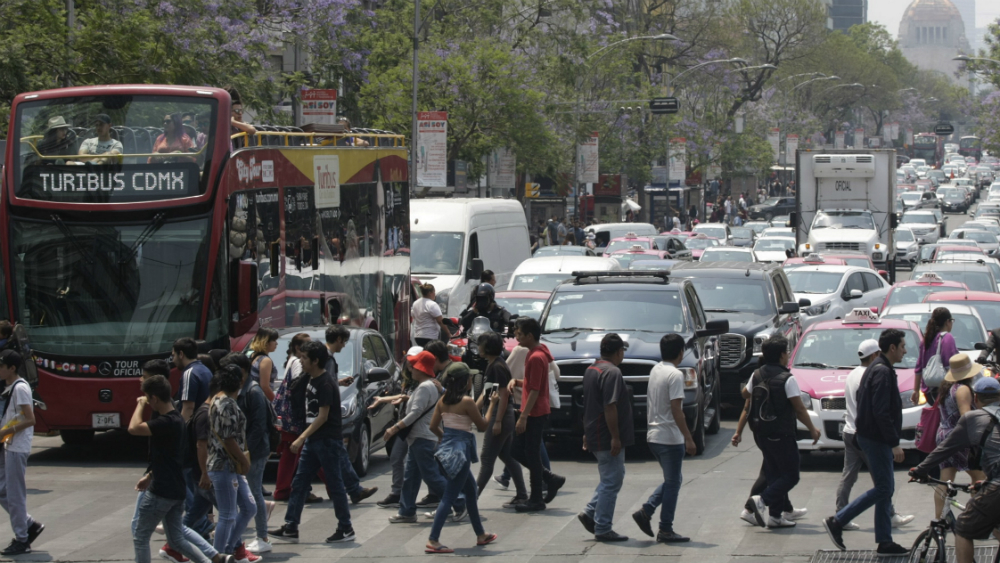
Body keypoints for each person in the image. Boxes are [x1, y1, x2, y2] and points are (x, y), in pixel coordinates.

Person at [823, 329, 909, 556]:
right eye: (902, 346)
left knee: (885, 489)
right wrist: (893, 442)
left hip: (869, 436)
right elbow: (880, 411)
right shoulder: (881, 371)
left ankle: (884, 541)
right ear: (892, 348)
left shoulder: (877, 368)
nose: (905, 350)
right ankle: (838, 520)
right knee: (883, 488)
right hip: (875, 439)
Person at [128, 374, 225, 563]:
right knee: (176, 539)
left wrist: (140, 404)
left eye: (149, 399)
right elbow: (169, 457)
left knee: (140, 536)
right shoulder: (178, 419)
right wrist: (150, 475)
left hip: (161, 492)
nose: (149, 404)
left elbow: (133, 428)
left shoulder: (166, 422)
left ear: (154, 398)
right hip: (176, 490)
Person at [269, 341, 355, 544]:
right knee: (298, 484)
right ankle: (291, 526)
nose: (301, 361)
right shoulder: (310, 379)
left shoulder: (325, 383)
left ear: (315, 361)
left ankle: (346, 528)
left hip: (327, 441)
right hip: (313, 441)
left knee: (335, 486)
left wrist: (300, 438)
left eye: (305, 358)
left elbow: (322, 416)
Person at [909, 377, 1000, 563]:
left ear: (976, 399)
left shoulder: (972, 418)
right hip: (995, 481)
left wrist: (919, 470)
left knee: (963, 528)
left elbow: (945, 449)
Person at [740, 336, 819, 529]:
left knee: (774, 474)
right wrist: (812, 429)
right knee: (791, 476)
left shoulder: (756, 374)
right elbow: (799, 409)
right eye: (787, 352)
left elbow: (745, 394)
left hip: (762, 433)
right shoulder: (787, 378)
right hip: (782, 433)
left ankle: (776, 517)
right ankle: (761, 501)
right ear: (783, 355)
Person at [835, 340, 913, 530]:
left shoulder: (853, 374)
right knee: (883, 482)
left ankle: (840, 512)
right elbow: (878, 409)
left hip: (849, 430)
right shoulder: (875, 373)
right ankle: (888, 514)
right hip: (867, 434)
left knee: (849, 476)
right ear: (874, 355)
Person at [384, 351, 465, 523]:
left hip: (423, 438)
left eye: (414, 366)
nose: (411, 369)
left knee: (431, 476)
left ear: (420, 369)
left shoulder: (424, 387)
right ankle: (406, 510)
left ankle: (460, 503)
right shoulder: (429, 385)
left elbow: (415, 413)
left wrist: (394, 428)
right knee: (411, 477)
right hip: (420, 438)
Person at [424, 364, 497, 553]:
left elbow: (433, 427)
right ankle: (433, 540)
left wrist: (446, 439)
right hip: (460, 453)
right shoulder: (466, 402)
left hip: (445, 451)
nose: (471, 381)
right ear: (465, 381)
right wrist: (492, 405)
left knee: (471, 491)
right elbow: (482, 425)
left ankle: (480, 534)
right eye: (470, 378)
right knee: (450, 495)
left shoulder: (443, 401)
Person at [632, 334, 696, 543]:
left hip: (654, 435)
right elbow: (677, 410)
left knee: (673, 481)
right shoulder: (675, 375)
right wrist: (688, 437)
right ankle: (665, 528)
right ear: (681, 352)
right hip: (669, 437)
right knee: (673, 483)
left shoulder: (656, 369)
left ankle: (647, 511)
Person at [578, 334, 633, 542]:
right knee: (611, 480)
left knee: (612, 477)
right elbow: (609, 406)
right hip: (604, 433)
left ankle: (591, 511)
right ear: (618, 352)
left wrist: (586, 431)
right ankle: (602, 526)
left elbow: (589, 405)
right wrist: (615, 437)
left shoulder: (592, 369)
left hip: (594, 431)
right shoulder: (612, 372)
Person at [507, 317, 566, 512]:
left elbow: (535, 390)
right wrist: (518, 382)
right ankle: (549, 479)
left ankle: (536, 497)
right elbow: (534, 384)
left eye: (519, 334)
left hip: (535, 412)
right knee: (519, 450)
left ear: (529, 336)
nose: (516, 337)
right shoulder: (538, 353)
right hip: (534, 410)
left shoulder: (536, 357)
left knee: (530, 454)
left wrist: (524, 416)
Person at [221, 353, 275, 555]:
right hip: (245, 451)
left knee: (254, 493)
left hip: (255, 451)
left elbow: (259, 427)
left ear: (241, 372)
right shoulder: (239, 391)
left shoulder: (253, 392)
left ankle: (262, 536)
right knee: (246, 494)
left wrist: (245, 454)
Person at [206, 365, 258, 559]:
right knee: (227, 515)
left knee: (249, 507)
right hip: (224, 465)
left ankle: (227, 549)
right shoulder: (226, 403)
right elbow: (228, 439)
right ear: (240, 382)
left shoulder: (219, 400)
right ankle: (218, 555)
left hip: (229, 466)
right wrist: (243, 461)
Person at [323, 325, 378, 505]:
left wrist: (338, 381)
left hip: (325, 417)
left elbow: (325, 381)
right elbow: (324, 386)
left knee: (335, 455)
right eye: (344, 342)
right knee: (329, 457)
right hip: (326, 417)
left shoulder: (325, 358)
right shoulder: (327, 359)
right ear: (338, 339)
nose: (344, 345)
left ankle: (352, 490)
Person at [931, 353, 987, 518]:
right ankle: (980, 517)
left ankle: (940, 519)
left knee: (945, 479)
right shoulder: (963, 389)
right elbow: (966, 417)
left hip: (944, 435)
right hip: (959, 437)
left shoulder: (947, 388)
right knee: (979, 478)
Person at [474, 333, 526, 506]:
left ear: (488, 347)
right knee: (508, 456)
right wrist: (473, 409)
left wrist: (497, 421)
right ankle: (522, 495)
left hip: (500, 415)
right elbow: (487, 392)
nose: (478, 347)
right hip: (501, 414)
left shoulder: (497, 366)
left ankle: (470, 500)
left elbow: (503, 395)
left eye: (480, 344)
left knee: (487, 458)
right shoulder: (493, 365)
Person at [0, 351, 42, 556]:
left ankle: (22, 539)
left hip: (17, 447)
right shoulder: (11, 387)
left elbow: (30, 419)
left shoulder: (20, 388)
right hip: (9, 445)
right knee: (2, 491)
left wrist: (6, 431)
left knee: (15, 495)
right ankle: (28, 524)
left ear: (11, 368)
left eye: (1, 366)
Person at [369, 346, 423, 508]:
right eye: (409, 362)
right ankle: (397, 493)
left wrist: (394, 427)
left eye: (415, 362)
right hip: (404, 424)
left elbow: (414, 405)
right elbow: (404, 396)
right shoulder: (406, 378)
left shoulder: (425, 382)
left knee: (425, 467)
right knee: (396, 457)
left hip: (416, 427)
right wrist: (384, 400)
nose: (411, 365)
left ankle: (446, 496)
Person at [913, 307, 958, 406]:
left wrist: (916, 390)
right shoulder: (947, 337)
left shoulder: (926, 340)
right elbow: (950, 366)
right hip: (943, 389)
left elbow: (918, 368)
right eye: (952, 321)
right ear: (947, 322)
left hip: (928, 391)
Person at [173, 338, 213, 422]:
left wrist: (182, 431)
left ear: (181, 354)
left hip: (195, 427)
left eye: (173, 355)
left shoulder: (189, 373)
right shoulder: (206, 370)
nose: (173, 360)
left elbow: (188, 408)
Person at [248, 327, 279, 401]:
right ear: (265, 342)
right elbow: (265, 387)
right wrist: (275, 403)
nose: (276, 343)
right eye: (274, 340)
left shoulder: (253, 356)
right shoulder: (265, 360)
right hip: (262, 401)